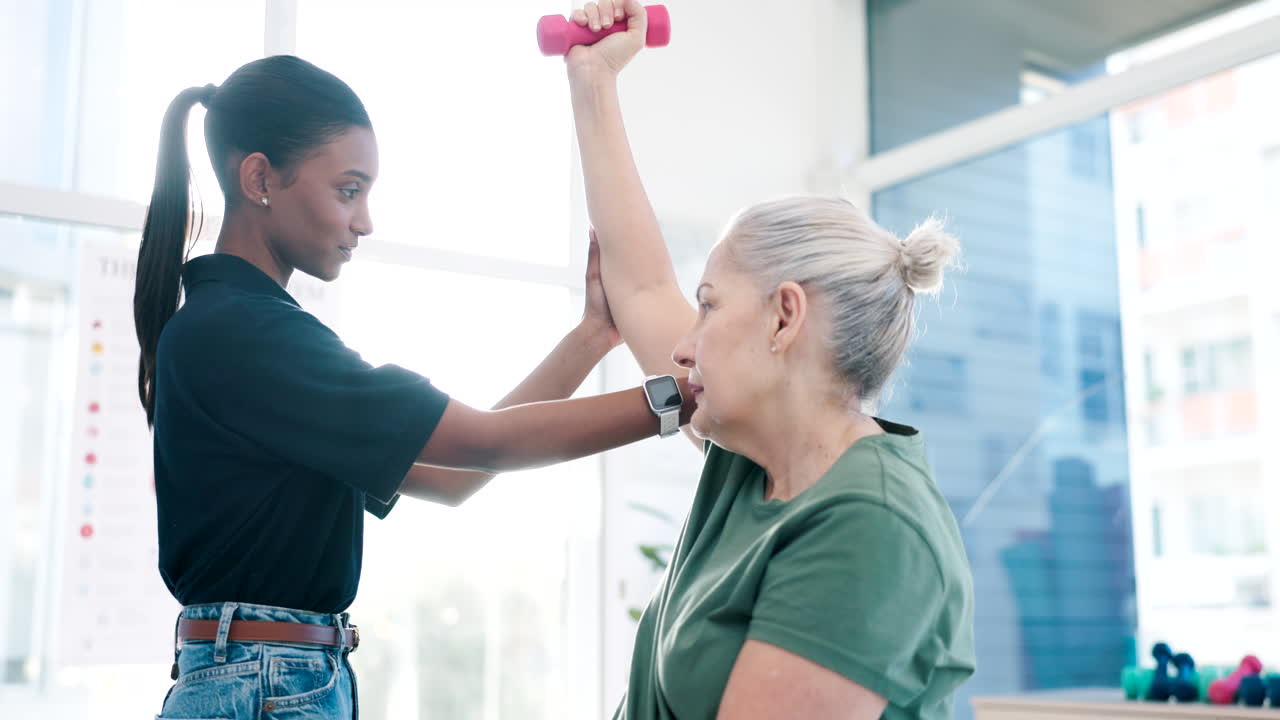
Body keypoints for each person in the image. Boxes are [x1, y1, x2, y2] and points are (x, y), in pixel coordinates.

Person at [136, 54, 691, 720]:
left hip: (271, 675)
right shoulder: (246, 335)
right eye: (348, 190)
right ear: (259, 178)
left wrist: (590, 338)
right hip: (267, 682)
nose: (364, 221)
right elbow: (487, 442)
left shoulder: (240, 332)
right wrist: (686, 395)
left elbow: (455, 476)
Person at [564, 2, 977, 718]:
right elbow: (636, 287)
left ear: (785, 317)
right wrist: (593, 79)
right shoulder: (750, 461)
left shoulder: (870, 526)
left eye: (710, 305)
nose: (684, 345)